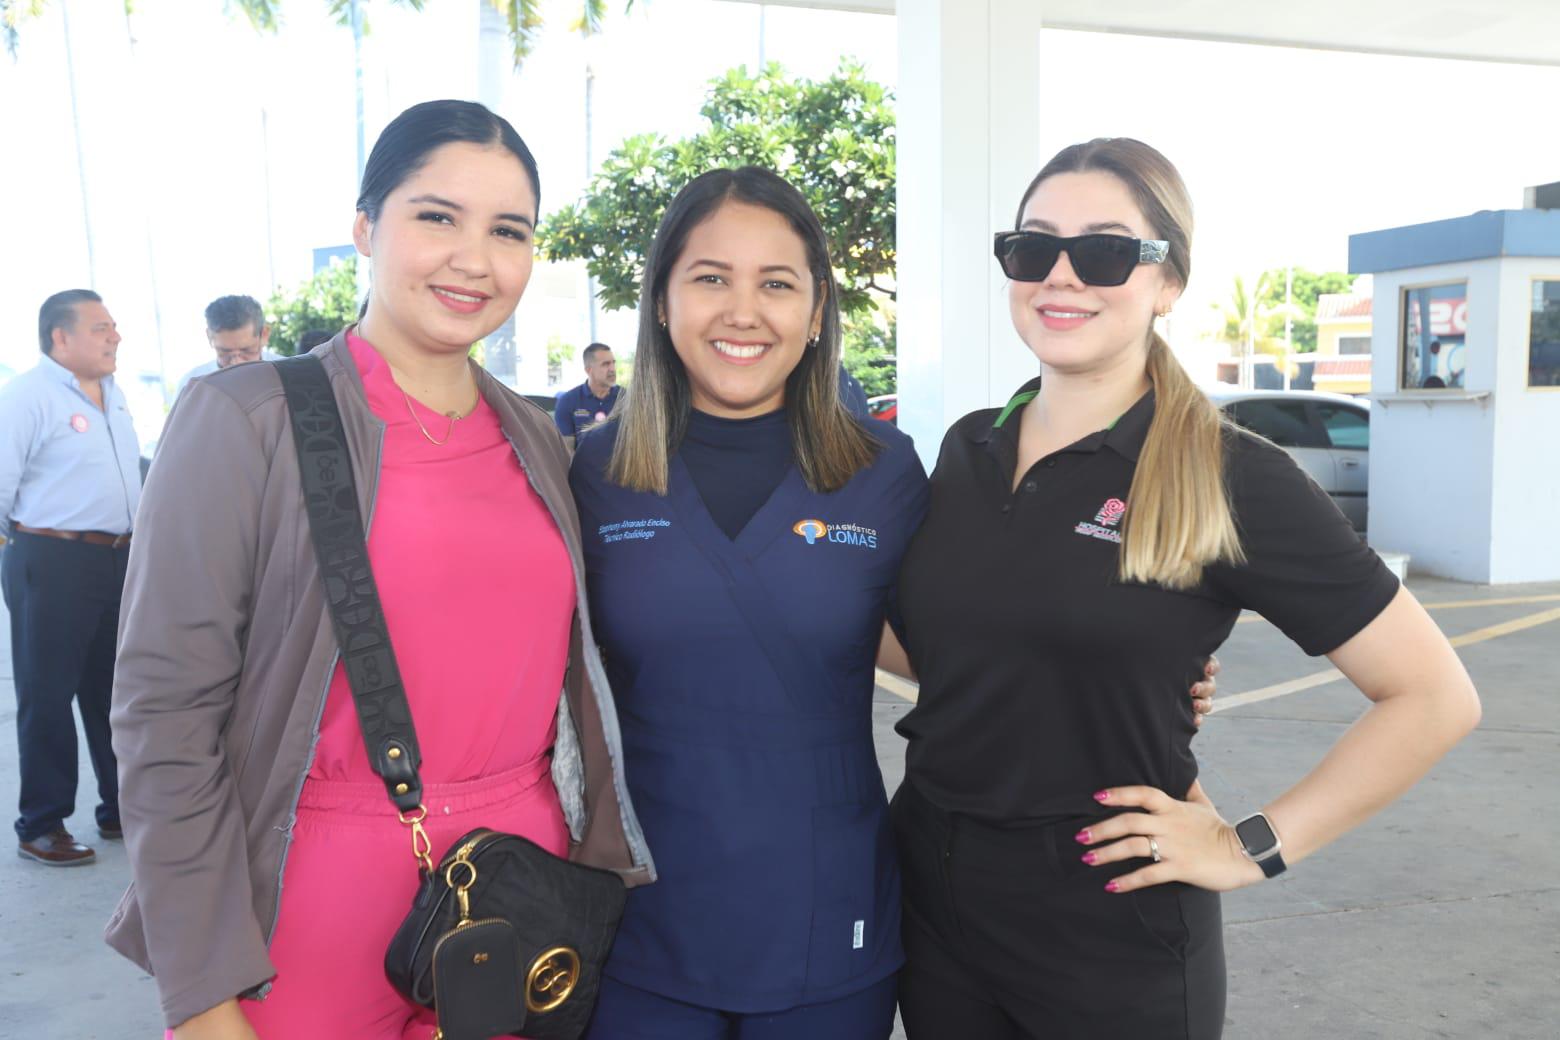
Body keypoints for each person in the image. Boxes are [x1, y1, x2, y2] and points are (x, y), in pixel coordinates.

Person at [569, 167, 1217, 1040]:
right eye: (710, 277)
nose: (743, 310)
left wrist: (1140, 673)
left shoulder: (884, 470)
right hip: (635, 912)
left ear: (816, 308)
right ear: (660, 299)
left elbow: (958, 640)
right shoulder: (592, 472)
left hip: (827, 913)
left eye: (777, 283)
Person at [887, 138, 1482, 1039]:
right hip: (932, 891)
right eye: (1033, 246)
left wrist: (1254, 846)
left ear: (1168, 283)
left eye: (1105, 251)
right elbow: (944, 649)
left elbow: (1434, 696)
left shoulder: (1229, 474)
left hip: (1108, 922)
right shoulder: (969, 449)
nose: (1062, 275)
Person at [106, 99, 653, 1040]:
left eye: (508, 230)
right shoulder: (250, 421)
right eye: (436, 216)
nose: (473, 258)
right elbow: (164, 715)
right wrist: (201, 992)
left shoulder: (538, 440)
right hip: (311, 912)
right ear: (365, 226)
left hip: (516, 899)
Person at [0, 289, 139, 867]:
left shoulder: (114, 393)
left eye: (114, 325)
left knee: (115, 694)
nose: (115, 336)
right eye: (101, 327)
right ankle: (42, 824)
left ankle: (119, 808)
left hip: (118, 559)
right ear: (61, 337)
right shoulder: (28, 397)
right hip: (50, 559)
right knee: (48, 694)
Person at [174, 295, 282, 396]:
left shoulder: (286, 374)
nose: (236, 363)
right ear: (209, 337)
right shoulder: (191, 387)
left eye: (246, 350)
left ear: (264, 335)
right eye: (224, 352)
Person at [553, 341, 620, 439]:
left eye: (613, 363)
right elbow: (566, 449)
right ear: (589, 370)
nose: (612, 369)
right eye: (605, 364)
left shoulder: (627, 399)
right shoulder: (568, 401)